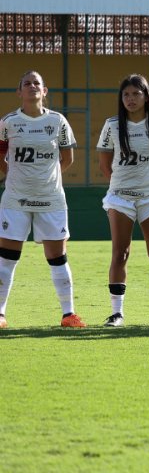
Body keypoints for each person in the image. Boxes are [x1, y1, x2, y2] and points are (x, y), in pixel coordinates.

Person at [0, 70, 85, 328]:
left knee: (58, 257)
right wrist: (16, 176)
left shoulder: (58, 122)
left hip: (51, 199)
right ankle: (0, 314)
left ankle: (69, 314)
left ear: (45, 91)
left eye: (37, 83)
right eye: (27, 83)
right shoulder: (8, 122)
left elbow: (67, 158)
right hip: (16, 199)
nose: (32, 86)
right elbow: (1, 156)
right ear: (19, 92)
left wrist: (46, 179)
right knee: (6, 258)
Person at [97, 74, 149, 327]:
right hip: (120, 197)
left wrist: (147, 183)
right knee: (120, 253)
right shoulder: (111, 125)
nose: (130, 99)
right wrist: (125, 185)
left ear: (146, 96)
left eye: (136, 94)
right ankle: (116, 313)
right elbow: (105, 165)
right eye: (126, 95)